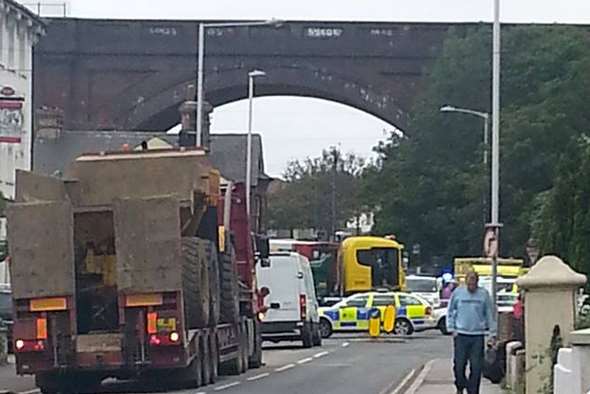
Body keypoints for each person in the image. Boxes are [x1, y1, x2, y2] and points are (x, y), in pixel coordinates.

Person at [447, 271, 497, 394]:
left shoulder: (483, 295)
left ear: (477, 282)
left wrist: (492, 333)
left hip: (477, 335)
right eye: (469, 283)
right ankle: (460, 386)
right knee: (459, 365)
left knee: (476, 366)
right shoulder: (458, 293)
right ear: (466, 281)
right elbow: (450, 311)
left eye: (473, 282)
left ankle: (473, 391)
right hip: (461, 334)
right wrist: (451, 328)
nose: (471, 286)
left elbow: (490, 314)